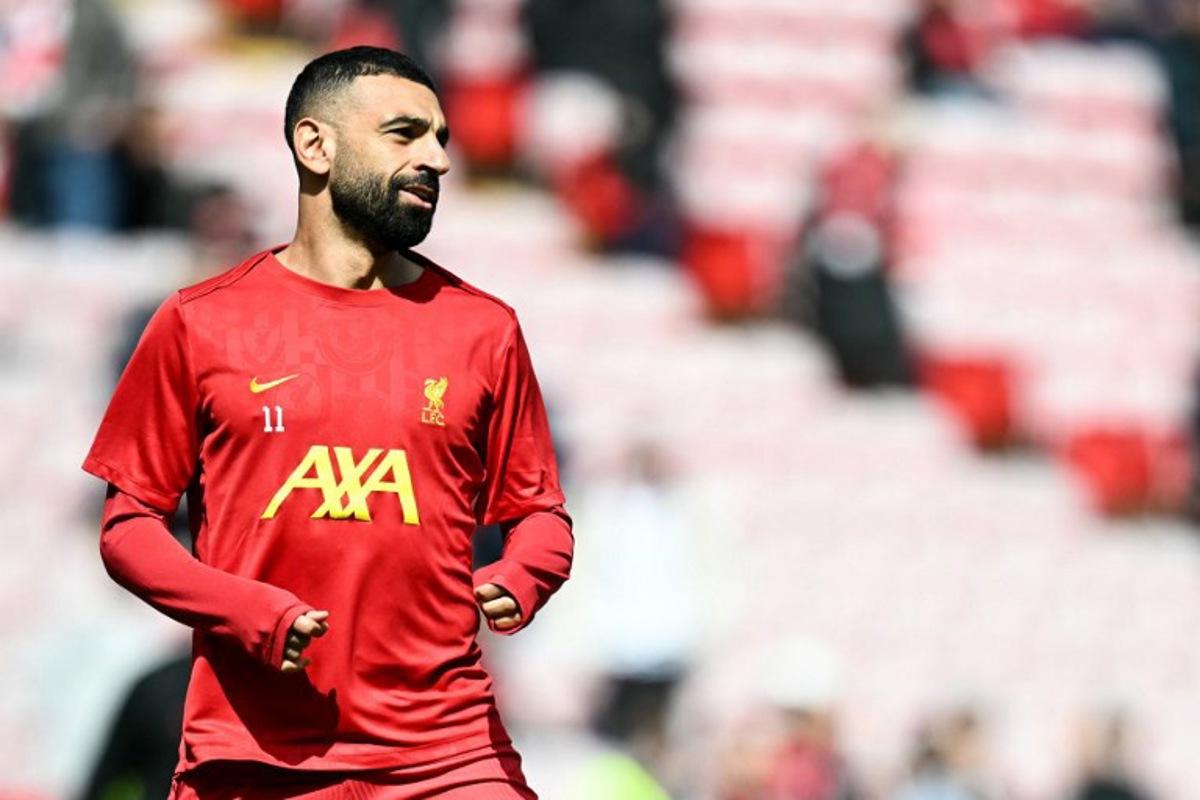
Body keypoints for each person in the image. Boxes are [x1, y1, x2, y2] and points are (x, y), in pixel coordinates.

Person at [81, 46, 574, 800]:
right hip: (254, 756)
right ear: (316, 145)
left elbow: (538, 512)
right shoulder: (199, 322)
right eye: (405, 133)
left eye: (441, 138)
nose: (437, 159)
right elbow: (128, 527)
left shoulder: (486, 330)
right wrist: (245, 608)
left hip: (448, 754)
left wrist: (521, 573)